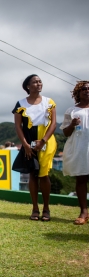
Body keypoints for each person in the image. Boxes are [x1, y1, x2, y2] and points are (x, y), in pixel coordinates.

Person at [12, 74, 57, 221]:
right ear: (28, 86)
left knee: (44, 174)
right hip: (29, 140)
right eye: (34, 82)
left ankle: (46, 209)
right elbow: (18, 126)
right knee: (33, 173)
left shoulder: (49, 102)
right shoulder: (20, 103)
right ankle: (35, 208)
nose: (38, 84)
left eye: (40, 81)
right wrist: (25, 144)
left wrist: (43, 141)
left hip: (46, 140)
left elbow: (53, 124)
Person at [60, 81, 89, 225]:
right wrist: (72, 124)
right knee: (81, 179)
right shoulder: (71, 110)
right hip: (79, 149)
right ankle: (83, 212)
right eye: (84, 88)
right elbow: (65, 132)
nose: (87, 90)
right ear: (78, 92)